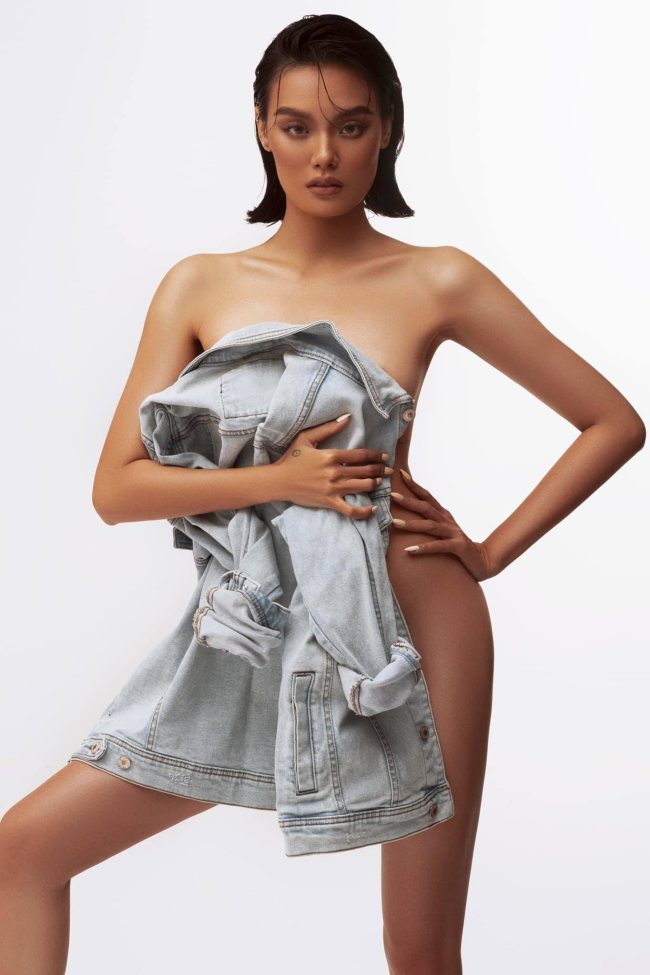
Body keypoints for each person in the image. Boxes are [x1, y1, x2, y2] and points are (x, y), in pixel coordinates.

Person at [0, 13, 645, 975]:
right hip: (253, 619)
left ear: (388, 131)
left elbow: (614, 421)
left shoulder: (437, 278)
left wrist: (489, 551)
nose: (325, 153)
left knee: (419, 947)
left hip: (415, 614)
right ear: (263, 130)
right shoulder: (199, 285)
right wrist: (279, 479)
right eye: (297, 125)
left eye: (351, 125)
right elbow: (116, 487)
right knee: (23, 851)